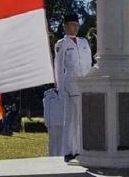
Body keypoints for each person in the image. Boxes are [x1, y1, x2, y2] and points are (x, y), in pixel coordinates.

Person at [54, 13, 92, 163]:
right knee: (70, 120)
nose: (75, 28)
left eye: (77, 25)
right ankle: (69, 151)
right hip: (70, 86)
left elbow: (89, 64)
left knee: (83, 120)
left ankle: (81, 149)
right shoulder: (61, 44)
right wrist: (60, 88)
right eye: (72, 25)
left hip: (84, 86)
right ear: (65, 26)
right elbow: (58, 67)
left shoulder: (84, 43)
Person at [43, 87, 64, 156]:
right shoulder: (48, 94)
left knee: (61, 142)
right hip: (52, 123)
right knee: (52, 142)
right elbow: (46, 109)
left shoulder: (64, 93)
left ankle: (60, 157)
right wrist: (47, 122)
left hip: (62, 122)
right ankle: (51, 156)